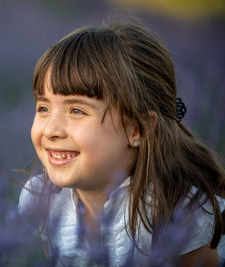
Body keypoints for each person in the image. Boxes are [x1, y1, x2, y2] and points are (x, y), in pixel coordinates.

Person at [18, 22, 225, 266]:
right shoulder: (43, 202)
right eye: (43, 108)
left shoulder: (175, 213)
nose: (51, 130)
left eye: (76, 110)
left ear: (137, 128)